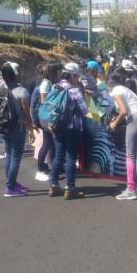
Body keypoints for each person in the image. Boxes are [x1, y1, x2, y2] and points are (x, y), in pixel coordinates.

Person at [48, 63, 89, 200]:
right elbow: (85, 110)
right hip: (72, 128)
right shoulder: (74, 90)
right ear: (72, 75)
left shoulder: (55, 87)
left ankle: (53, 186)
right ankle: (70, 189)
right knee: (70, 158)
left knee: (58, 156)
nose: (78, 79)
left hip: (56, 126)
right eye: (77, 76)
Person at [0, 62, 32, 197]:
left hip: (3, 126)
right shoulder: (21, 91)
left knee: (9, 155)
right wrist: (31, 128)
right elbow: (27, 113)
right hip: (17, 127)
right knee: (15, 157)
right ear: (15, 74)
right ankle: (10, 187)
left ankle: (12, 183)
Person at [110, 69, 137, 200]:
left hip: (134, 120)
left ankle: (131, 189)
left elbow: (124, 111)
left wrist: (114, 123)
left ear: (111, 82)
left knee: (130, 155)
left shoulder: (116, 90)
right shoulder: (127, 90)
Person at [33, 62, 61, 182]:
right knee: (46, 144)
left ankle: (50, 168)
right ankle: (40, 170)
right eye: (60, 71)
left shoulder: (51, 83)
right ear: (54, 72)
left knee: (50, 144)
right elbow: (45, 103)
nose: (61, 73)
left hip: (50, 117)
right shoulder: (45, 84)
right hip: (46, 118)